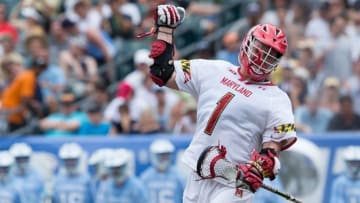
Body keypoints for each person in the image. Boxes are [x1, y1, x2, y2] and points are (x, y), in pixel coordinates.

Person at [146, 4, 297, 202]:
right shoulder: (215, 69)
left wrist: (261, 168)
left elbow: (271, 150)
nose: (262, 58)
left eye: (271, 55)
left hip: (234, 181)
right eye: (261, 48)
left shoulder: (276, 98)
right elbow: (162, 73)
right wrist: (165, 31)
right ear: (247, 42)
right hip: (198, 172)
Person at [140, 139, 184, 203]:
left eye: (166, 155)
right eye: (160, 155)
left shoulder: (180, 176)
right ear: (153, 155)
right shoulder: (145, 177)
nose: (163, 158)